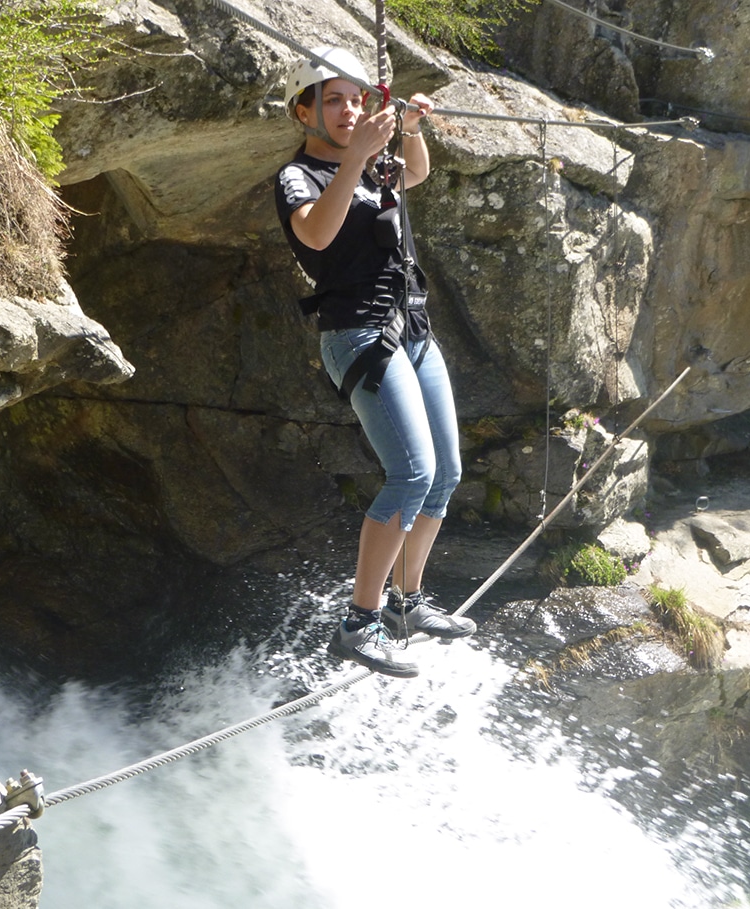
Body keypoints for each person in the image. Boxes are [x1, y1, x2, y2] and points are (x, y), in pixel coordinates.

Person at [273, 47, 475, 679]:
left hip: (412, 329)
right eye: (332, 100)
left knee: (445, 474)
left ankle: (408, 604)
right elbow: (317, 236)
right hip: (359, 336)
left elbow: (413, 175)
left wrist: (409, 132)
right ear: (304, 112)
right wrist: (357, 156)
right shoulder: (297, 178)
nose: (348, 109)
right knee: (411, 473)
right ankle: (358, 621)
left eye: (355, 100)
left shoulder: (377, 166)